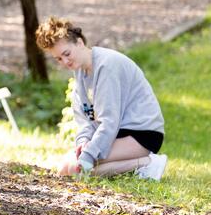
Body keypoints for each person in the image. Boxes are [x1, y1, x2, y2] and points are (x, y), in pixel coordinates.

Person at [35, 17, 167, 180]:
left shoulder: (106, 66)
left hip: (141, 133)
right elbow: (85, 119)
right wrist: (83, 143)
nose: (65, 61)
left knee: (76, 170)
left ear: (79, 43)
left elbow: (109, 121)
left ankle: (148, 163)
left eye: (66, 54)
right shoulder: (80, 73)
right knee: (66, 167)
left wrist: (88, 155)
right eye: (59, 59)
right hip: (116, 133)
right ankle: (140, 165)